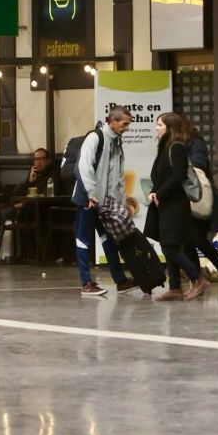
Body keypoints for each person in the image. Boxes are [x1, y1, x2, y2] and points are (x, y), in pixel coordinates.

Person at [144, 112, 209, 302]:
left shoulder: (177, 147)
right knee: (167, 244)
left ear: (170, 128)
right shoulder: (165, 147)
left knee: (169, 246)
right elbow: (162, 175)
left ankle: (197, 278)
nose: (157, 128)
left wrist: (160, 193)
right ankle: (175, 287)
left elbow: (178, 175)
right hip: (164, 204)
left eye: (160, 125)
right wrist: (155, 192)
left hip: (175, 204)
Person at [72, 108, 135, 297]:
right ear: (112, 121)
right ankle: (86, 283)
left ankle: (121, 280)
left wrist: (120, 200)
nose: (127, 128)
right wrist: (91, 193)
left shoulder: (116, 141)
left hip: (104, 201)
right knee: (83, 239)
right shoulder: (95, 138)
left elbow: (116, 175)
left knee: (108, 238)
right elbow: (84, 167)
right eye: (124, 124)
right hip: (88, 198)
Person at [183, 115, 218, 281]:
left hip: (199, 197)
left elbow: (198, 166)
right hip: (185, 199)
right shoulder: (172, 145)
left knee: (199, 240)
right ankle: (198, 277)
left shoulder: (195, 143)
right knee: (187, 240)